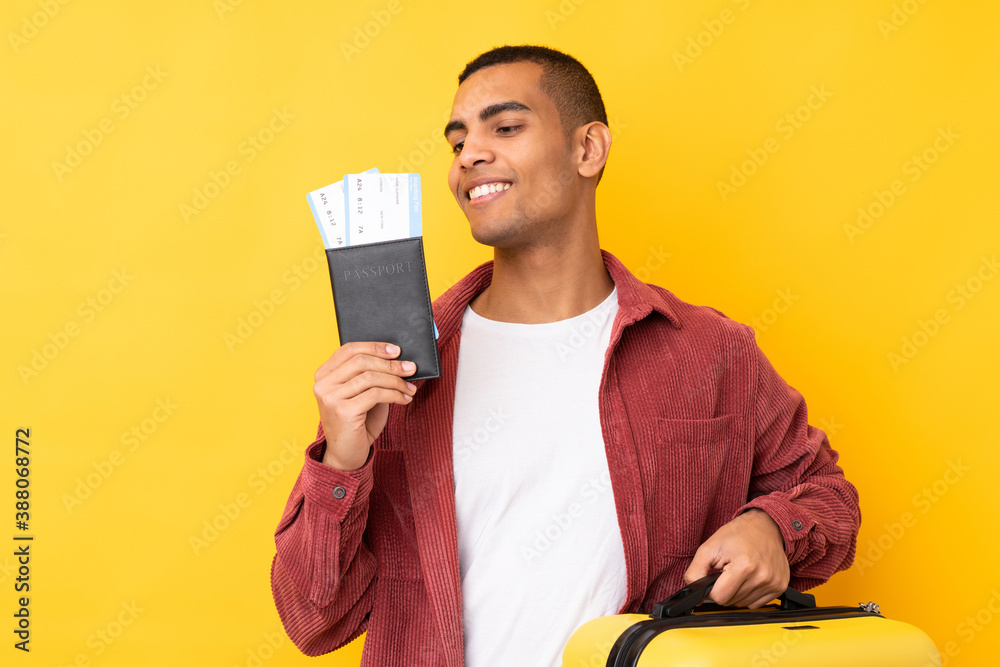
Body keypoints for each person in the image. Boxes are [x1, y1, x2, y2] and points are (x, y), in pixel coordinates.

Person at [269, 44, 861, 667]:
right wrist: (341, 458)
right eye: (458, 140)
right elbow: (315, 620)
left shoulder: (709, 353)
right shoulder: (398, 369)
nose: (470, 154)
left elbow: (828, 497)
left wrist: (772, 527)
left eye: (506, 127)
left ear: (588, 149)